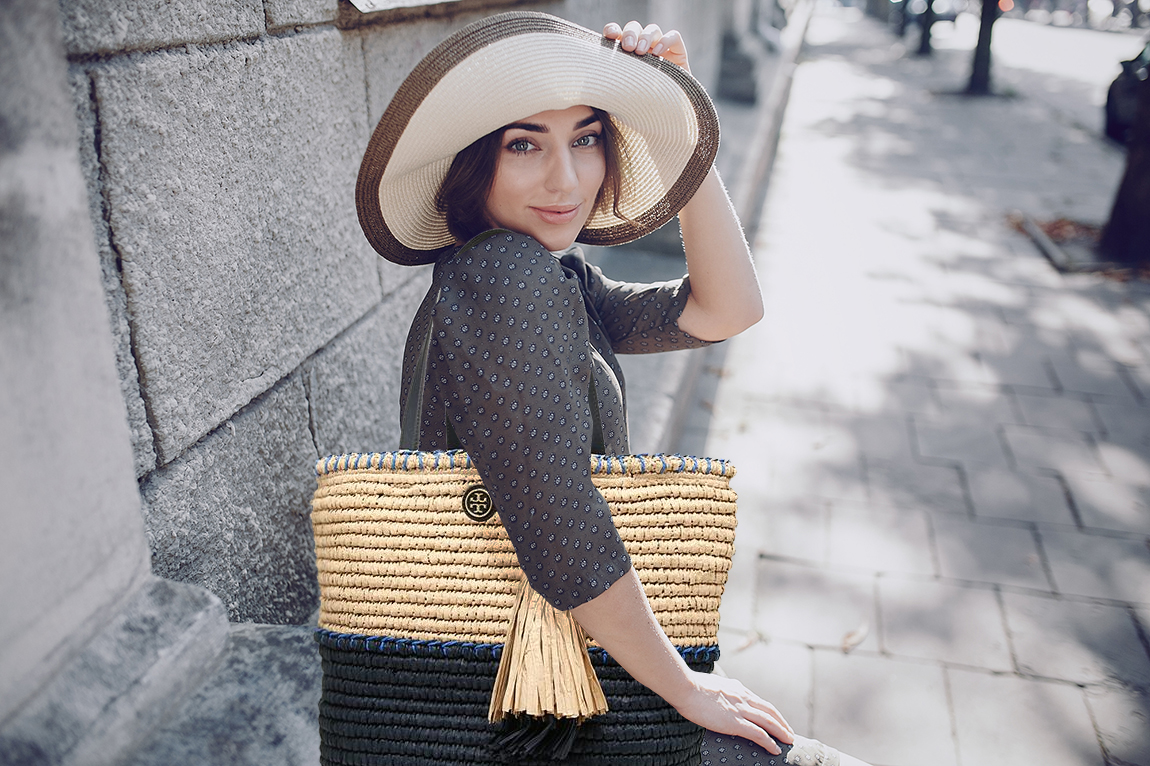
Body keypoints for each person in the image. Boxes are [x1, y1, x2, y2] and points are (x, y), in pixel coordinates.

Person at [353, 10, 872, 766]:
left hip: (562, 662)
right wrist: (688, 689)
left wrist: (679, 118)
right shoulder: (505, 276)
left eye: (586, 139)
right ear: (473, 161)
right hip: (521, 700)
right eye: (524, 143)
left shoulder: (550, 272)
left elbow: (725, 307)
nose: (567, 179)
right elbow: (564, 534)